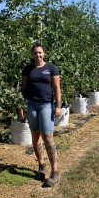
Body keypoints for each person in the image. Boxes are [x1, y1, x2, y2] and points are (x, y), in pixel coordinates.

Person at [19, 44, 62, 187]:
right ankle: (41, 166)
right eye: (35, 53)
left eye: (40, 53)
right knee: (36, 137)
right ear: (32, 55)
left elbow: (56, 88)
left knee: (47, 137)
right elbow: (23, 88)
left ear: (44, 53)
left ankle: (54, 171)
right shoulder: (27, 69)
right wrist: (21, 105)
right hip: (32, 105)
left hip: (46, 105)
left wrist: (58, 105)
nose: (38, 55)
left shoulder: (51, 68)